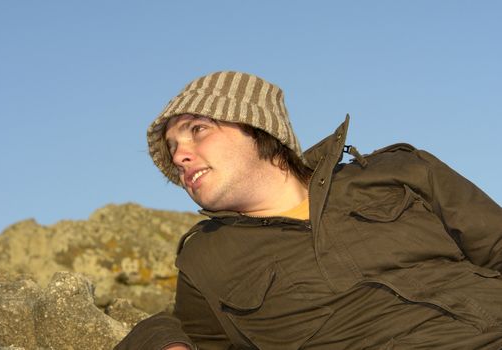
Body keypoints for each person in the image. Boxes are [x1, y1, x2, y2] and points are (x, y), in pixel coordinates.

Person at [116, 71, 502, 349]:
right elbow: (177, 333)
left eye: (198, 129)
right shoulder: (205, 261)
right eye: (173, 148)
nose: (180, 156)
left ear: (258, 127)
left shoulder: (398, 171)